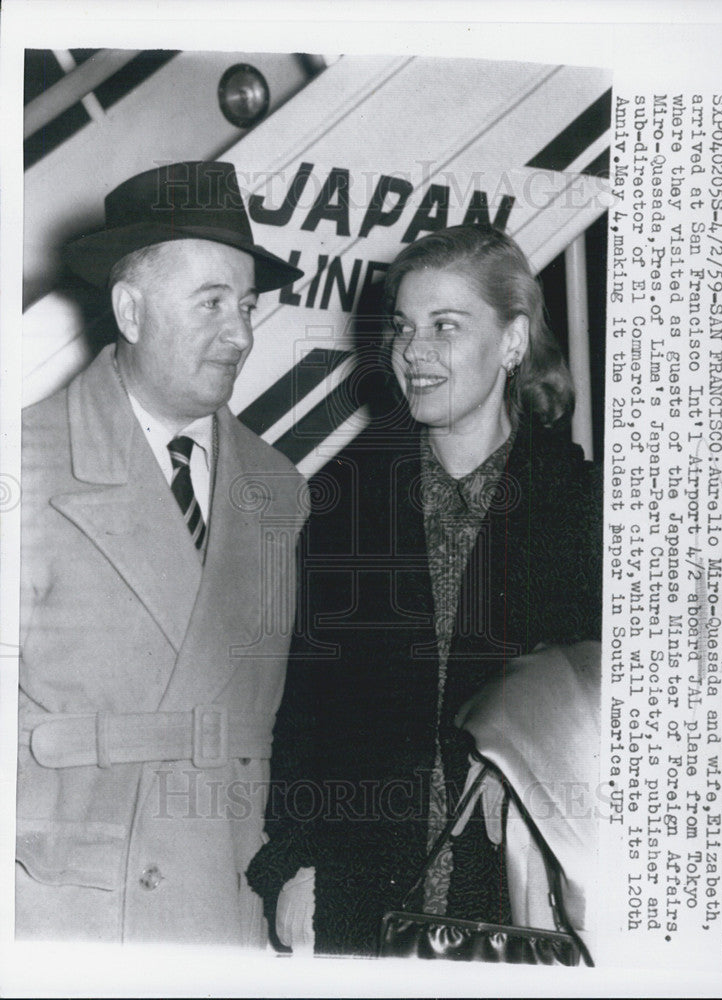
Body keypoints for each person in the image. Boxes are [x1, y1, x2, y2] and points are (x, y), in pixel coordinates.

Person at [246, 223, 603, 957]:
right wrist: (295, 859)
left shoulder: (587, 509)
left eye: (446, 326)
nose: (413, 351)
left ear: (512, 341)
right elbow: (306, 711)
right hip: (362, 890)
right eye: (404, 327)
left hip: (532, 903)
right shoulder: (345, 500)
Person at [16, 161, 308, 946]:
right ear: (130, 310)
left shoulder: (281, 490)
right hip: (69, 913)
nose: (241, 332)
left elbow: (296, 721)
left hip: (226, 908)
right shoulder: (26, 464)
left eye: (246, 305)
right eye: (211, 302)